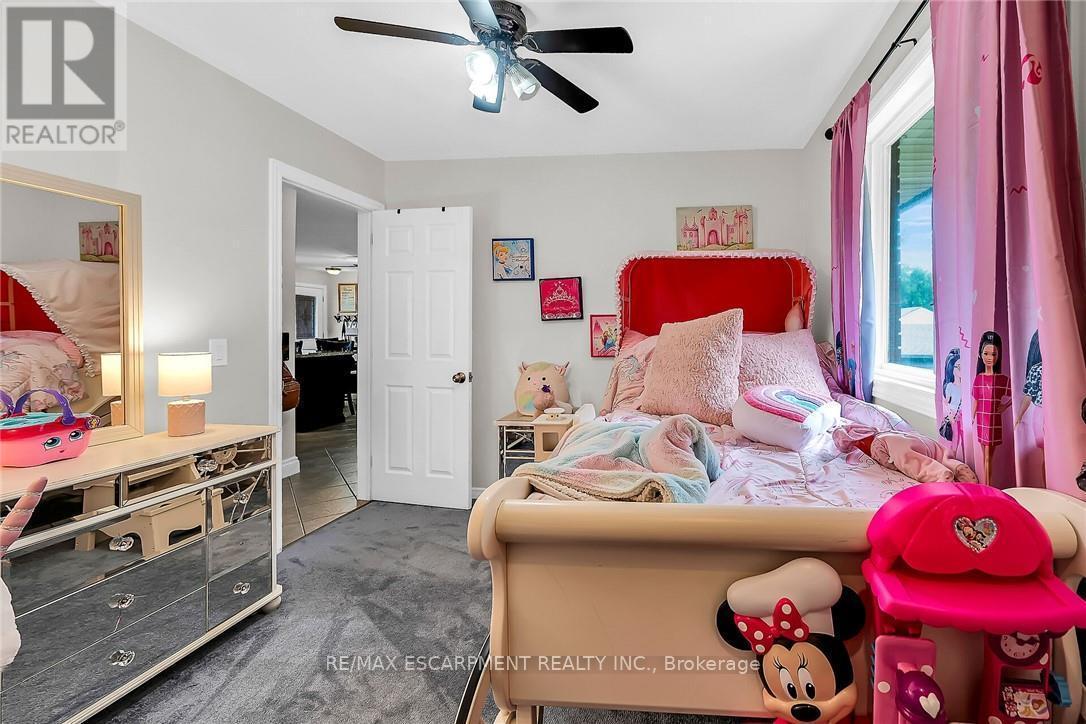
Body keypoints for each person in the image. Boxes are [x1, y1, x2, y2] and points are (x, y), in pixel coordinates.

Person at [972, 331, 1012, 484]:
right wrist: (973, 417)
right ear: (980, 354)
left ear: (998, 356)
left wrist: (1004, 407)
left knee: (990, 456)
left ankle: (989, 485)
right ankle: (986, 485)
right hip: (982, 420)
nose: (989, 358)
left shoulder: (1002, 379)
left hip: (994, 421)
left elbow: (1015, 395)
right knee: (985, 455)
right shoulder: (979, 378)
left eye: (994, 354)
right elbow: (976, 399)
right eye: (986, 353)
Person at [940, 347, 963, 459]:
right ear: (952, 369)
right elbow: (946, 402)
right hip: (954, 414)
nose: (960, 369)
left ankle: (962, 457)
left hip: (963, 414)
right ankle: (953, 458)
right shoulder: (950, 386)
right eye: (957, 367)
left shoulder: (964, 385)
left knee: (963, 437)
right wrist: (949, 415)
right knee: (955, 438)